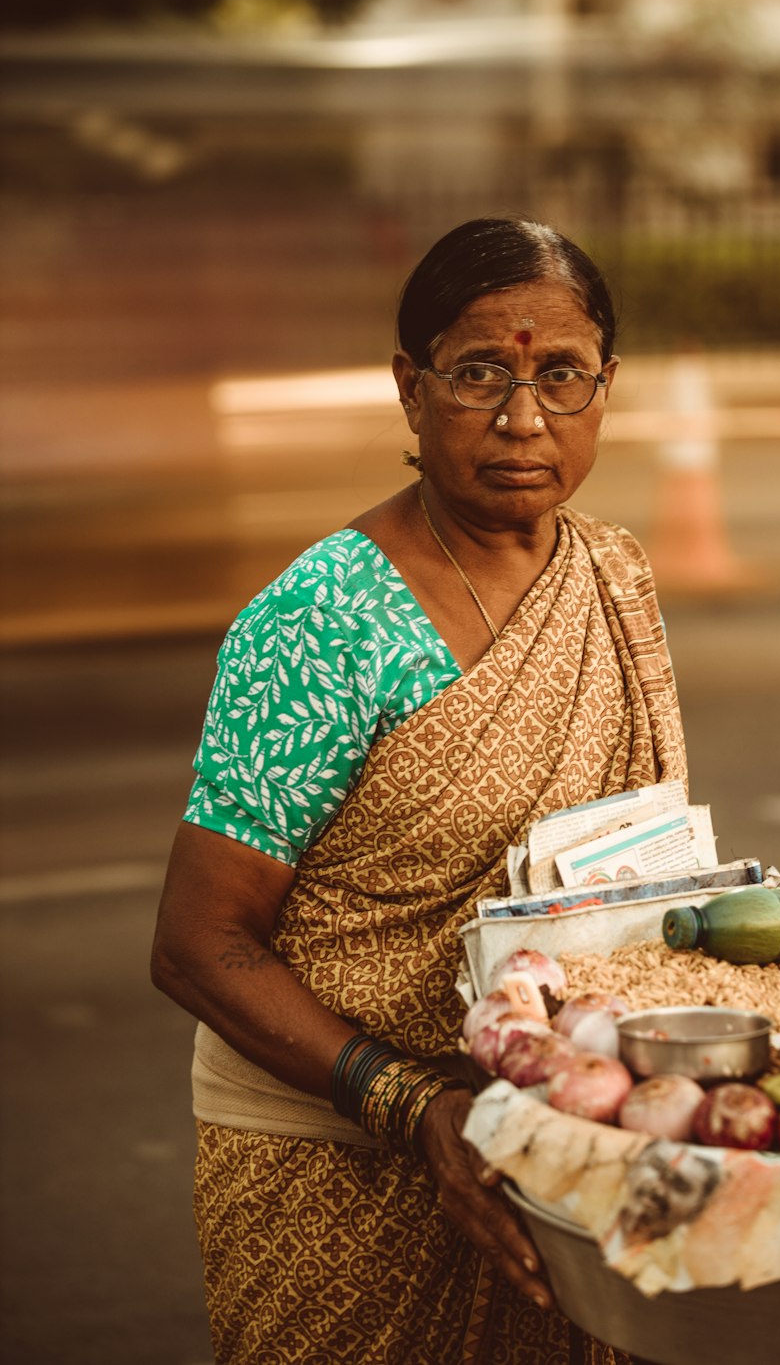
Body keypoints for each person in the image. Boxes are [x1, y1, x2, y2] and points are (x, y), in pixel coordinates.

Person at [152, 215, 687, 1364]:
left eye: (561, 376)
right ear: (410, 387)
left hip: (552, 1146)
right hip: (333, 1160)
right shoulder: (319, 621)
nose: (523, 419)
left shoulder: (611, 575)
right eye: (480, 372)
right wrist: (417, 1106)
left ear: (607, 387)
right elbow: (198, 942)